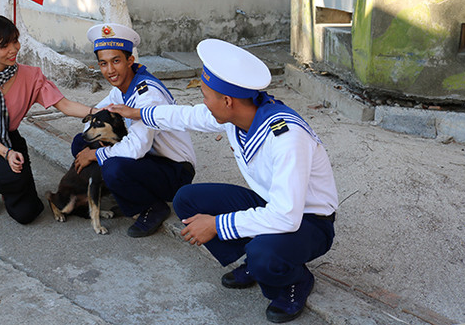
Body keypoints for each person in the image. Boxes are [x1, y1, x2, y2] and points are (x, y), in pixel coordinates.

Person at [110, 39, 338, 323]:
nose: (203, 102)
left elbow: (287, 217)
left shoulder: (286, 138)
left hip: (309, 221)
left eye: (205, 95)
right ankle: (254, 262)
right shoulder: (237, 116)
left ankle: (294, 280)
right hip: (273, 204)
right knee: (187, 200)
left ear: (227, 101)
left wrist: (217, 225)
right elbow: (187, 116)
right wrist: (138, 112)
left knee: (263, 253)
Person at [0, 15, 93, 224]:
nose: (14, 49)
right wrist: (7, 154)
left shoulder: (30, 76)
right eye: (4, 45)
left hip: (11, 139)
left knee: (28, 213)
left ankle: (7, 183)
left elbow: (64, 105)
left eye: (15, 41)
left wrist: (99, 111)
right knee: (11, 176)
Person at [72, 24, 196, 238]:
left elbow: (138, 148)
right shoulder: (121, 89)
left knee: (112, 166)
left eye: (116, 61)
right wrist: (96, 144)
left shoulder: (147, 95)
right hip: (149, 162)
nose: (110, 70)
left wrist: (96, 153)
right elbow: (95, 116)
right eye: (104, 63)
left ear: (130, 61)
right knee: (81, 142)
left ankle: (152, 207)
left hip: (175, 171)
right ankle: (121, 191)